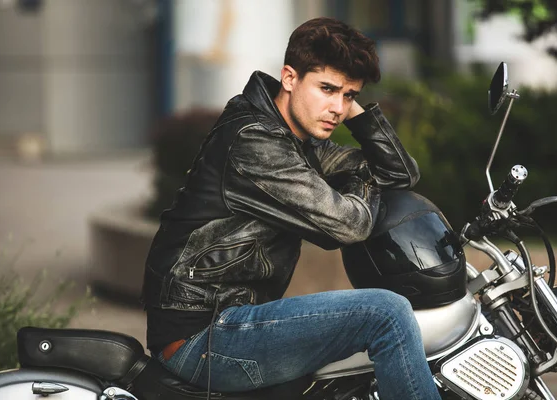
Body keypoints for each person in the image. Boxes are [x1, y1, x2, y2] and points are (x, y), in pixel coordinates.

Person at [141, 17, 441, 400]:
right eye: (327, 89)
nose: (337, 107)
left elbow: (399, 172)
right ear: (289, 78)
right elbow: (348, 226)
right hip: (205, 337)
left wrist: (354, 110)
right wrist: (362, 183)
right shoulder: (256, 142)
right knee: (387, 313)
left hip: (229, 322)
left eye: (349, 95)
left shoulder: (298, 140)